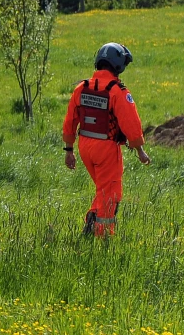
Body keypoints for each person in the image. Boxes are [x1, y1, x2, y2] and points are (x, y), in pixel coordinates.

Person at [62, 42, 151, 237]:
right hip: (106, 148)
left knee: (103, 189)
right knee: (111, 193)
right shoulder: (117, 91)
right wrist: (140, 150)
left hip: (85, 147)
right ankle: (102, 236)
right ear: (118, 65)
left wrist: (69, 150)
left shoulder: (81, 88)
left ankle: (92, 220)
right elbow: (131, 123)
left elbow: (70, 121)